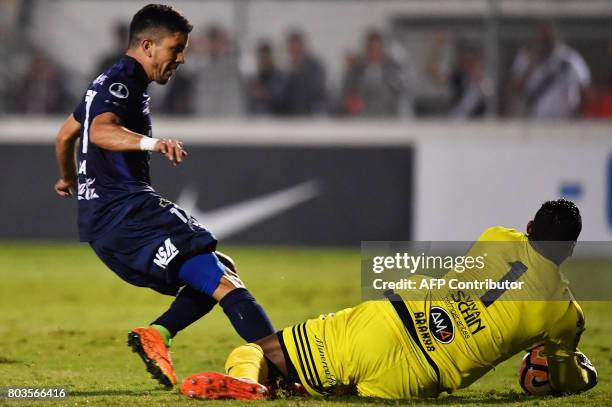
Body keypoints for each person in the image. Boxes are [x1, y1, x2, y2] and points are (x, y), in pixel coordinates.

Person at [53, 4, 274, 388]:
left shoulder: (104, 83)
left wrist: (68, 178)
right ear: (148, 44)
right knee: (222, 280)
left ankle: (159, 334)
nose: (181, 58)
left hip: (104, 227)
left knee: (220, 268)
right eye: (177, 48)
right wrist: (154, 143)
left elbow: (65, 135)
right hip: (129, 213)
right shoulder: (122, 82)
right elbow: (100, 132)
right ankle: (284, 366)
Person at [180, 199, 598, 400]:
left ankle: (253, 384)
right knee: (320, 389)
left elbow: (506, 272)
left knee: (258, 349)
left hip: (388, 321)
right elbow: (561, 380)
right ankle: (285, 388)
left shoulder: (497, 237)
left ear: (528, 226)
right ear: (573, 247)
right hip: (419, 379)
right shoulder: (564, 315)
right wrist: (583, 376)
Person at [511, 23, 591, 119]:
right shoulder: (527, 57)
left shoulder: (568, 58)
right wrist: (531, 65)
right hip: (536, 118)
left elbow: (585, 86)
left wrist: (578, 112)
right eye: (541, 39)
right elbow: (516, 89)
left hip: (564, 120)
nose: (543, 43)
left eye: (547, 39)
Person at [339, 30, 409, 117]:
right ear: (366, 49)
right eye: (371, 48)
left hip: (388, 116)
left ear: (382, 48)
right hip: (361, 116)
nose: (374, 52)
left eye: (377, 48)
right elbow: (345, 94)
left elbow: (402, 92)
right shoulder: (356, 69)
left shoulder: (393, 69)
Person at [279, 30, 326, 115]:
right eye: (292, 48)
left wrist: (301, 72)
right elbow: (281, 95)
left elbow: (317, 90)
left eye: (297, 47)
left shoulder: (315, 66)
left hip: (310, 113)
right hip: (289, 115)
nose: (295, 51)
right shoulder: (285, 69)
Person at [246, 41, 285, 115]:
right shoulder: (253, 79)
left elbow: (282, 100)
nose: (264, 60)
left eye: (266, 57)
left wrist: (265, 94)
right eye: (262, 57)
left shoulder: (280, 78)